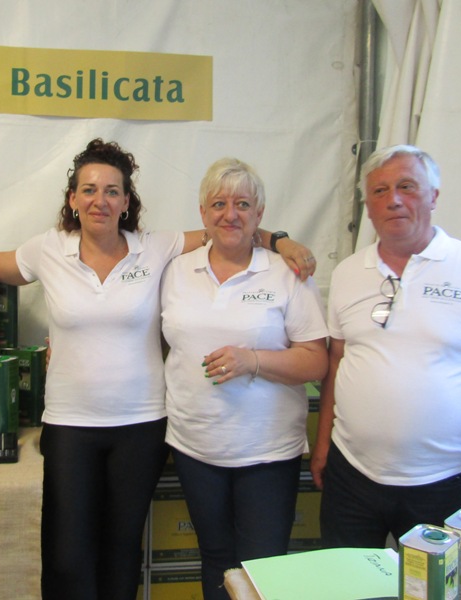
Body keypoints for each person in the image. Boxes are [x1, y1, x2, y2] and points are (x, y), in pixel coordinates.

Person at [0, 139, 316, 600]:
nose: (101, 200)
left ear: (127, 201)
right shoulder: (49, 249)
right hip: (70, 425)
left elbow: (230, 227)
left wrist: (282, 241)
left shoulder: (154, 248)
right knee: (67, 554)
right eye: (90, 190)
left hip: (141, 425)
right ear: (73, 199)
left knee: (121, 548)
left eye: (113, 191)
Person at [310, 144, 461, 549]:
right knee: (350, 581)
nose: (393, 199)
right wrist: (323, 444)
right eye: (379, 191)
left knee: (436, 583)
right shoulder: (347, 273)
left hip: (442, 483)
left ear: (434, 196)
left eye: (407, 186)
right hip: (351, 475)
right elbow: (336, 363)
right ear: (368, 207)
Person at [161, 157, 329, 599]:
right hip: (195, 447)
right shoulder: (175, 271)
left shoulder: (288, 274)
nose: (230, 214)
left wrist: (252, 360)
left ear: (259, 214)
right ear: (202, 213)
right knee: (215, 559)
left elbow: (316, 361)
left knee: (263, 567)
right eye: (218, 204)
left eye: (242, 204)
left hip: (266, 453)